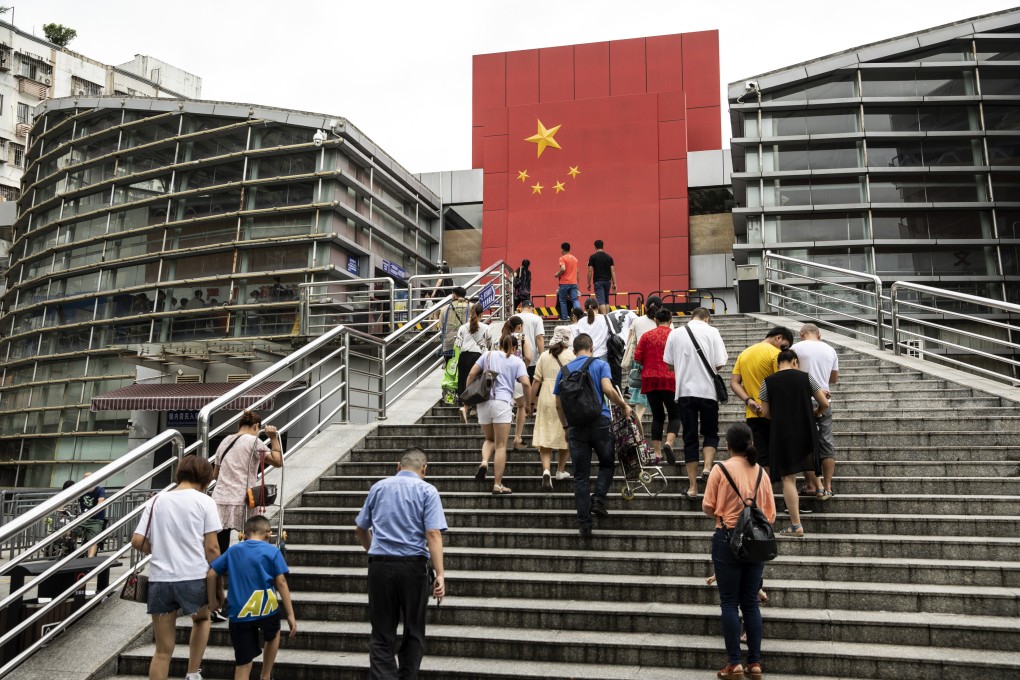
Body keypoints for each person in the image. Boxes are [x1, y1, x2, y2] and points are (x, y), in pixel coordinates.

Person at [355, 447, 447, 679]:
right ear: (424, 469)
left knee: (382, 632)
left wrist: (374, 551)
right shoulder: (428, 490)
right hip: (413, 567)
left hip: (380, 566)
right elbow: (433, 534)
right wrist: (440, 573)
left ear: (398, 466)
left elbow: (361, 528)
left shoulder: (379, 487)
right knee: (414, 630)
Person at [131, 455, 222, 680]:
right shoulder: (205, 501)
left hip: (160, 580)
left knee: (162, 650)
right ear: (205, 478)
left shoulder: (156, 501)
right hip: (193, 577)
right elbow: (212, 549)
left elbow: (137, 541)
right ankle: (192, 673)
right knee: (201, 620)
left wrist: (162, 548)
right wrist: (219, 582)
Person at [702, 423, 777, 680]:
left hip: (726, 537)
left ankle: (734, 663)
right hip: (755, 543)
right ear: (750, 444)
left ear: (728, 445)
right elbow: (771, 515)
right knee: (751, 604)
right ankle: (754, 662)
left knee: (729, 602)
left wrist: (727, 516)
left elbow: (708, 507)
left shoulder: (719, 469)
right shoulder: (761, 474)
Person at [554, 333, 632, 537]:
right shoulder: (600, 365)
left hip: (576, 427)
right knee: (607, 463)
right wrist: (623, 405)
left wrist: (565, 428)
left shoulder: (564, 371)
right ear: (591, 348)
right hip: (600, 422)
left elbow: (558, 404)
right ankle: (598, 500)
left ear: (574, 351)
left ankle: (584, 524)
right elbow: (607, 389)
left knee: (580, 476)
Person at [208, 515, 296, 680]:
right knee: (274, 634)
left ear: (244, 534)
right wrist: (290, 614)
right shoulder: (273, 551)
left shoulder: (234, 550)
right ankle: (265, 675)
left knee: (243, 663)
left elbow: (212, 574)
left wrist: (213, 601)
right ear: (268, 534)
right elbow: (281, 583)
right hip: (266, 608)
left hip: (239, 612)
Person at [760, 349, 829, 537]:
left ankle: (796, 525)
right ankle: (821, 488)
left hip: (781, 433)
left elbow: (765, 413)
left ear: (778, 364)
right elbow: (824, 403)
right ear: (795, 362)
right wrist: (816, 413)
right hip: (806, 430)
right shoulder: (806, 378)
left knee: (788, 478)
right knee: (807, 460)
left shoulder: (767, 382)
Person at [663, 307, 729, 499]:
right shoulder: (713, 331)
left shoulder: (675, 333)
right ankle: (707, 467)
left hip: (685, 392)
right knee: (710, 432)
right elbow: (720, 362)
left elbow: (668, 364)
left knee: (690, 436)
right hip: (708, 392)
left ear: (691, 317)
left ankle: (692, 487)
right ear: (707, 318)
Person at [464, 334, 532, 494]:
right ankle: (497, 484)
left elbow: (471, 374)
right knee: (501, 445)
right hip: (501, 404)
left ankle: (484, 462)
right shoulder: (517, 361)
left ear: (499, 343)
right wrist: (528, 404)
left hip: (483, 403)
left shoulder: (487, 355)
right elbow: (526, 383)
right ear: (515, 348)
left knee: (489, 439)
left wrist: (468, 395)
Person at [211, 412, 283, 557]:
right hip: (243, 499)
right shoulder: (253, 441)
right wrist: (273, 438)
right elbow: (277, 461)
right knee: (251, 539)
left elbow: (215, 474)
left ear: (239, 425)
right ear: (256, 426)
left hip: (220, 499)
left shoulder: (225, 441)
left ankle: (220, 575)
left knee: (220, 545)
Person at [730, 326, 794, 476]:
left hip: (753, 414)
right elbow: (782, 382)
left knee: (762, 457)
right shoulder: (776, 354)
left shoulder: (744, 353)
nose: (784, 349)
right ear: (778, 338)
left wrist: (749, 400)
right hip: (775, 413)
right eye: (784, 345)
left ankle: (765, 491)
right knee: (783, 454)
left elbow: (734, 383)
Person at [792, 323, 839, 500]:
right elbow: (833, 378)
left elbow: (792, 373)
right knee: (826, 441)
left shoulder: (796, 348)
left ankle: (812, 485)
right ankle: (827, 486)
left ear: (801, 334)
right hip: (824, 400)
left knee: (804, 444)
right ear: (819, 335)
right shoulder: (830, 349)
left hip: (802, 401)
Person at [529, 326, 576, 490]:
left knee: (545, 435)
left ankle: (546, 470)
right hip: (565, 397)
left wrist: (531, 403)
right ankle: (560, 470)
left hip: (545, 397)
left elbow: (535, 381)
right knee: (567, 433)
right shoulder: (572, 356)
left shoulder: (543, 356)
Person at [633, 307, 678, 465]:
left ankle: (657, 453)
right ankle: (669, 443)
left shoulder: (646, 336)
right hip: (670, 379)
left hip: (650, 379)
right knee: (674, 414)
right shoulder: (675, 335)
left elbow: (637, 358)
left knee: (657, 416)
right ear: (671, 321)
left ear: (656, 320)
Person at [624, 296, 663, 424]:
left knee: (640, 392)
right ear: (661, 308)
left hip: (639, 361)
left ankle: (638, 419)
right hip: (658, 362)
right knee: (656, 395)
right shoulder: (665, 323)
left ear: (645, 307)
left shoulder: (637, 321)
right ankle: (654, 422)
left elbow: (629, 341)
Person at [500, 316, 534, 450]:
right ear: (519, 326)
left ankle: (502, 437)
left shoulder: (501, 338)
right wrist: (523, 367)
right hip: (517, 377)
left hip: (503, 377)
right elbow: (528, 357)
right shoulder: (522, 338)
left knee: (506, 405)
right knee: (521, 406)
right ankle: (518, 437)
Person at [455, 303, 492, 423]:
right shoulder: (486, 328)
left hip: (464, 357)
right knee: (477, 384)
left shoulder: (462, 327)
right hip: (478, 357)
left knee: (464, 382)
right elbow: (490, 345)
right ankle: (474, 408)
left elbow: (458, 344)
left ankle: (465, 406)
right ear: (482, 314)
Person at [77, 471, 106, 558]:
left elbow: (101, 501)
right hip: (83, 518)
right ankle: (68, 552)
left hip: (96, 519)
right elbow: (70, 497)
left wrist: (92, 511)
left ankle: (90, 560)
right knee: (68, 532)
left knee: (93, 540)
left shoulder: (100, 490)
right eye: (85, 479)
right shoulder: (81, 490)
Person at [587, 239, 618, 314]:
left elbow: (590, 271)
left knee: (601, 300)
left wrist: (588, 283)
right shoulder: (609, 257)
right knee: (606, 300)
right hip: (607, 281)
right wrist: (615, 283)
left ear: (595, 247)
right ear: (602, 246)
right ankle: (607, 316)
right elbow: (613, 271)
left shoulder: (593, 257)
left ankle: (604, 318)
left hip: (598, 281)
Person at [439, 287, 470, 361]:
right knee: (464, 369)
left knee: (450, 370)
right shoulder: (470, 306)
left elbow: (441, 326)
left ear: (454, 296)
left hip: (449, 344)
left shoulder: (444, 309)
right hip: (465, 343)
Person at [518, 299, 545, 380]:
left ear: (521, 308)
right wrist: (541, 355)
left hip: (515, 356)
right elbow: (539, 337)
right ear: (532, 308)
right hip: (532, 357)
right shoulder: (537, 318)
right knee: (530, 384)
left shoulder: (512, 318)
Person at [554, 242, 579, 321]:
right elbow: (577, 272)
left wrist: (557, 274)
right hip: (574, 282)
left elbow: (563, 269)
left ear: (562, 249)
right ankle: (579, 315)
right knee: (575, 300)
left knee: (562, 300)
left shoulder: (562, 258)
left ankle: (565, 318)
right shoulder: (575, 259)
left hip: (564, 282)